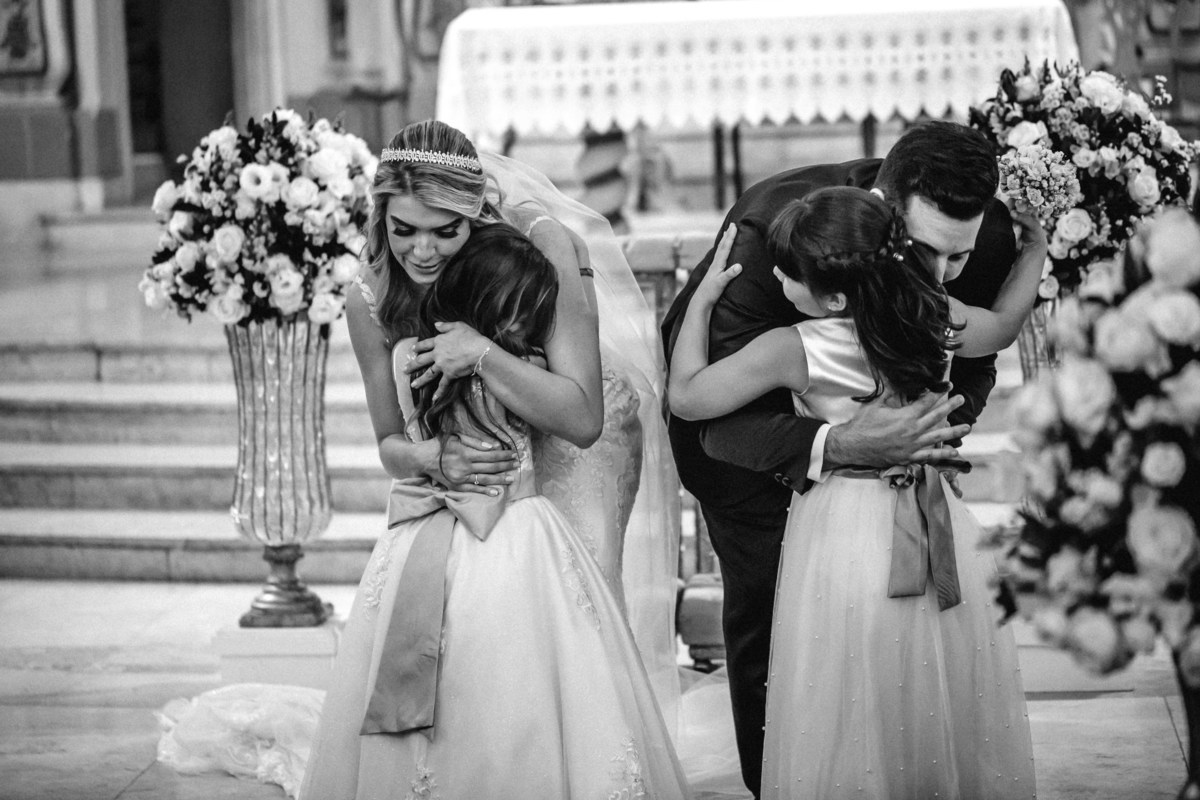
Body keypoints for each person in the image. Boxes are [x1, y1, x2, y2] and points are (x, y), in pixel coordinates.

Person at [659, 121, 1023, 796]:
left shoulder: (974, 237)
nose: (937, 278)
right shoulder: (774, 241)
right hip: (754, 465)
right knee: (802, 643)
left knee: (877, 660)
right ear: (885, 211)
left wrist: (929, 431)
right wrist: (842, 445)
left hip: (883, 504)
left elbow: (981, 360)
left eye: (958, 259)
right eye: (924, 253)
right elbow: (712, 422)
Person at [298, 223, 688, 798]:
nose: (523, 327)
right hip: (516, 533)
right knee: (515, 679)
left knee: (467, 679)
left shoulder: (411, 352)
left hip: (427, 539)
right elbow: (582, 413)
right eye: (517, 315)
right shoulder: (512, 367)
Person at [357, 120, 681, 721]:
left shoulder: (540, 245)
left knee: (578, 613)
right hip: (475, 460)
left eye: (444, 232)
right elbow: (388, 442)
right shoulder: (369, 295)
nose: (422, 251)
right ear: (380, 219)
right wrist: (433, 458)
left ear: (477, 214)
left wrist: (480, 352)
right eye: (403, 230)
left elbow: (582, 416)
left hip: (578, 433)